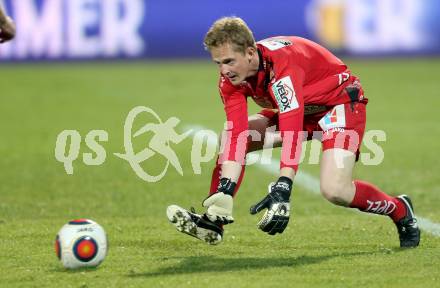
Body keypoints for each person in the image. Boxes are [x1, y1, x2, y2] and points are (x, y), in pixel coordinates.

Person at [166, 17, 420, 248]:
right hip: (305, 110)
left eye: (229, 61)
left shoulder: (281, 68)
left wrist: (283, 186)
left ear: (250, 53)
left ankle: (399, 209)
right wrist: (226, 188)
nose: (224, 70)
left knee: (335, 191)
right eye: (218, 63)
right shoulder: (230, 82)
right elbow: (237, 134)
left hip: (338, 106)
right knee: (228, 136)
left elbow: (291, 130)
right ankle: (214, 220)